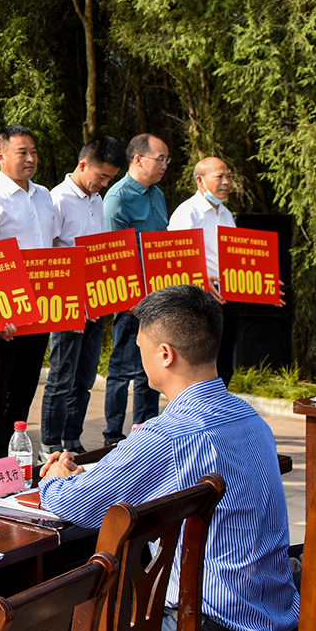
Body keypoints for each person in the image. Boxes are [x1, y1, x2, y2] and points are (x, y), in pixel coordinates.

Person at [39, 285, 298, 631]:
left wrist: (57, 479)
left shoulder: (169, 434)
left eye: (140, 348)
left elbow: (77, 505)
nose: (138, 357)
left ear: (165, 354)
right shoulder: (249, 418)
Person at [0, 125, 57, 459]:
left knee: (24, 389)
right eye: (22, 152)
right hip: (4, 313)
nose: (30, 158)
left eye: (33, 151)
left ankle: (15, 456)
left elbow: (53, 248)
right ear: (1, 156)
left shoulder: (44, 195)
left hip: (40, 309)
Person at [42, 136, 125, 454]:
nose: (104, 184)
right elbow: (52, 255)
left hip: (96, 301)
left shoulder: (97, 200)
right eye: (101, 176)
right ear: (83, 165)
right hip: (69, 305)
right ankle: (50, 443)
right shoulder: (58, 199)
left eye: (110, 179)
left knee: (85, 378)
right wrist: (72, 305)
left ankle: (72, 440)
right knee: (61, 376)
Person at [101, 133, 172, 444]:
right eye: (160, 159)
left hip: (158, 297)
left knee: (150, 370)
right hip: (130, 299)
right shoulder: (117, 198)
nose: (165, 165)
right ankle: (113, 437)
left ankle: (146, 432)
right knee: (121, 369)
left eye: (167, 160)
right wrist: (128, 297)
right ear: (138, 159)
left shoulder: (158, 194)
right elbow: (112, 253)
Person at [168, 156, 241, 383]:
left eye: (229, 176)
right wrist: (199, 278)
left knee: (224, 361)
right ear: (200, 181)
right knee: (201, 364)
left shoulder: (226, 214)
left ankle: (219, 404)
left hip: (227, 295)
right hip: (199, 299)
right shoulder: (187, 212)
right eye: (219, 176)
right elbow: (176, 257)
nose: (226, 182)